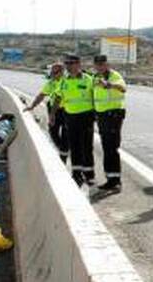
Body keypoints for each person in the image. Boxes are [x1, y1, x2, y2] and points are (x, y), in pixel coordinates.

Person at [58, 54, 97, 187]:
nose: (68, 66)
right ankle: (76, 174)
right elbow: (58, 96)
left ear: (79, 64)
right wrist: (52, 114)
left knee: (87, 147)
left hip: (86, 117)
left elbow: (96, 97)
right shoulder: (64, 80)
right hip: (70, 117)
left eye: (71, 63)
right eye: (67, 64)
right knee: (74, 147)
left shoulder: (88, 79)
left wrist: (97, 115)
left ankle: (89, 175)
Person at [91, 55, 127, 192]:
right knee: (106, 147)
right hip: (102, 116)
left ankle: (116, 181)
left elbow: (123, 88)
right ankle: (110, 179)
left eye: (102, 64)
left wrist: (109, 85)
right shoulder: (95, 78)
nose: (100, 66)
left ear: (107, 64)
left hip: (114, 115)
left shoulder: (114, 75)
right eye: (97, 64)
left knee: (112, 147)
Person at [23, 62, 68, 162]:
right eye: (52, 72)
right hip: (54, 109)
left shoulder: (66, 82)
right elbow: (42, 95)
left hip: (66, 111)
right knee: (53, 132)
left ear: (62, 72)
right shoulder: (51, 83)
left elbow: (59, 98)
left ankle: (63, 157)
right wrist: (32, 106)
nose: (52, 74)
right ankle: (63, 150)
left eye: (55, 72)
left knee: (66, 135)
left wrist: (52, 114)